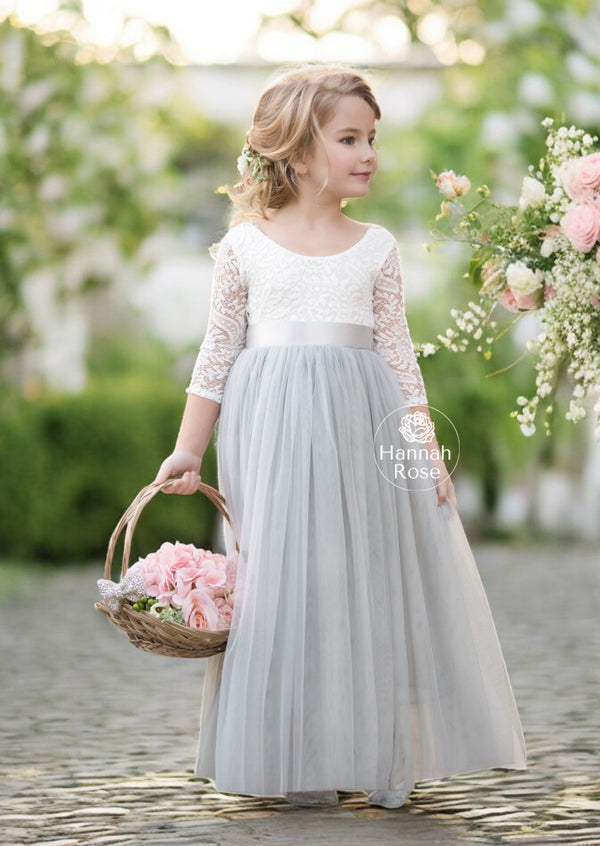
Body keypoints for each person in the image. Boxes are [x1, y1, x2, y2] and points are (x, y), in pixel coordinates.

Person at [154, 64, 527, 809]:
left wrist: (424, 451)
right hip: (274, 433)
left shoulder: (376, 245)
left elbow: (398, 356)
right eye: (349, 138)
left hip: (363, 425)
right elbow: (216, 353)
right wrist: (188, 449)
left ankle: (366, 749)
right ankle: (287, 754)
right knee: (284, 580)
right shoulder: (246, 248)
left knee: (359, 577)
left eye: (372, 138)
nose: (368, 153)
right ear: (296, 151)